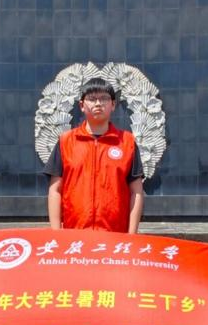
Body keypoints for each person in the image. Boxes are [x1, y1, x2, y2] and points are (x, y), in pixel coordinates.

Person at [45, 77, 145, 232]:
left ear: (113, 105)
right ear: (82, 105)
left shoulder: (127, 142)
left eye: (104, 98)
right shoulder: (66, 141)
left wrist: (131, 236)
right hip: (75, 235)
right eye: (92, 99)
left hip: (115, 235)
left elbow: (136, 192)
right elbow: (55, 190)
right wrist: (57, 234)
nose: (98, 103)